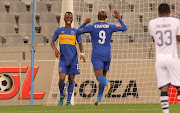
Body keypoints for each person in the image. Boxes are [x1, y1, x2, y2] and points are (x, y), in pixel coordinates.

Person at [76, 10, 127, 106]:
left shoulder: (92, 26)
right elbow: (124, 28)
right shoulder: (110, 26)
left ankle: (108, 84)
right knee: (103, 77)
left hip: (97, 55)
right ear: (106, 17)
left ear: (97, 16)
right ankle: (99, 100)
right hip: (107, 55)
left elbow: (77, 32)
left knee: (99, 77)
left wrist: (84, 23)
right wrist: (119, 19)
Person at [149, 3, 180, 113]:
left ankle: (166, 112)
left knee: (164, 88)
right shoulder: (175, 21)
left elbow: (154, 39)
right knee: (179, 86)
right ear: (170, 12)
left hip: (160, 59)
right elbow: (178, 37)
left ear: (158, 12)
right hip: (172, 58)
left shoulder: (152, 23)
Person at [51, 12, 85, 106]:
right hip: (63, 59)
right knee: (62, 78)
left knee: (71, 79)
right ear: (64, 19)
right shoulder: (59, 30)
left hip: (73, 59)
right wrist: (55, 50)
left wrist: (82, 53)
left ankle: (69, 101)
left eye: (70, 17)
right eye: (67, 17)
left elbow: (80, 44)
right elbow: (52, 42)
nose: (69, 19)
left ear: (72, 19)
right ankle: (62, 96)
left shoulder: (75, 31)